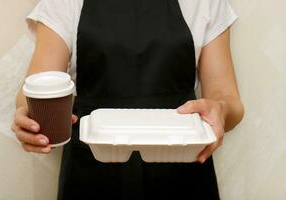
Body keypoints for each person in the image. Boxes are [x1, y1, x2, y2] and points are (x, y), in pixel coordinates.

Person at [12, 0, 244, 199]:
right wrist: (29, 114)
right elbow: (37, 86)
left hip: (183, 171)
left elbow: (228, 101)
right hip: (91, 172)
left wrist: (220, 111)